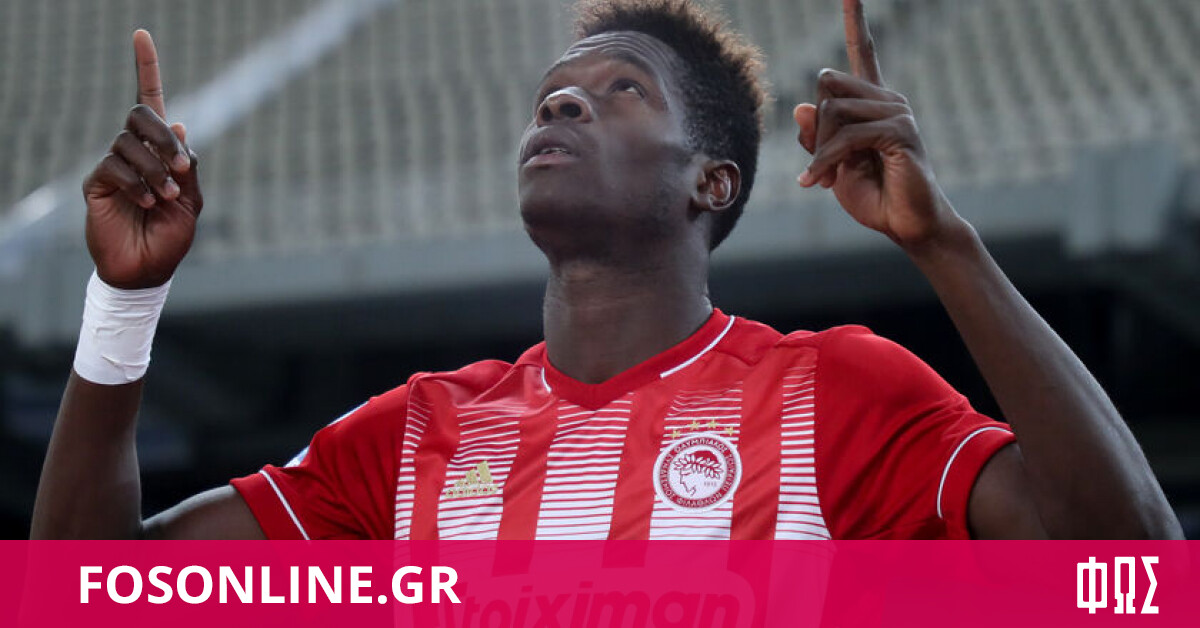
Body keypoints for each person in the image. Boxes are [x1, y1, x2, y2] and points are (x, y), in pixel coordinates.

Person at [31, 0, 1182, 540]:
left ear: (710, 182)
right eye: (551, 98)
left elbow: (1128, 561)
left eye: (621, 90)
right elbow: (88, 593)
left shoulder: (833, 393)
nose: (564, 104)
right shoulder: (414, 435)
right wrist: (126, 301)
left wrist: (945, 244)